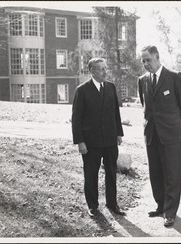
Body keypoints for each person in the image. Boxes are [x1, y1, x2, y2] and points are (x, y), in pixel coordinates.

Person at [138, 46, 181, 227]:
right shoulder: (142, 80)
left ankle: (170, 212)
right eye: (143, 61)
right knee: (156, 173)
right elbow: (145, 106)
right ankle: (160, 206)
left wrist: (174, 124)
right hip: (151, 135)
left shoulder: (175, 77)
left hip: (171, 135)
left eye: (148, 60)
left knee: (172, 174)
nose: (146, 64)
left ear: (157, 57)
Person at [72, 57, 125, 217]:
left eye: (105, 68)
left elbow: (116, 112)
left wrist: (118, 133)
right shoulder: (82, 90)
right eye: (101, 69)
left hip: (109, 140)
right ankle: (93, 207)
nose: (105, 72)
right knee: (91, 174)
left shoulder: (110, 87)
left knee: (111, 172)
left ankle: (112, 204)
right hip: (90, 143)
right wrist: (80, 141)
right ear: (92, 71)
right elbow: (76, 118)